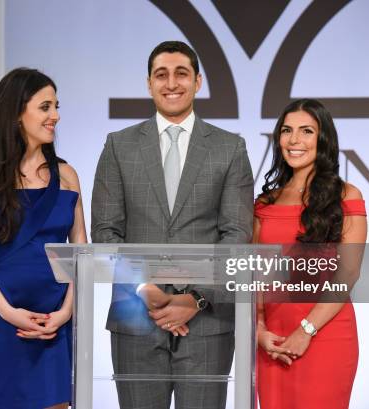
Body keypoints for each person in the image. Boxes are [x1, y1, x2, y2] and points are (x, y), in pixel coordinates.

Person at [91, 41, 254, 409]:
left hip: (207, 322)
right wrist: (148, 290)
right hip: (135, 318)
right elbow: (105, 231)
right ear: (148, 84)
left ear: (198, 82)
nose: (171, 83)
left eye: (181, 73)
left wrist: (194, 298)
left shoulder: (230, 148)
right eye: (160, 75)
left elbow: (236, 235)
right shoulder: (119, 146)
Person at [0, 68, 86, 409]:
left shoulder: (68, 175)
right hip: (0, 318)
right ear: (17, 112)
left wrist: (65, 313)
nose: (55, 116)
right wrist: (7, 312)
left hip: (53, 322)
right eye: (45, 107)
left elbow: (81, 256)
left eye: (56, 106)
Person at [254, 98, 367, 409]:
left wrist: (306, 330)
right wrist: (259, 330)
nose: (294, 140)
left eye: (306, 131)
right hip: (272, 343)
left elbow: (348, 273)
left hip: (325, 337)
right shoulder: (264, 203)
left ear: (323, 139)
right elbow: (254, 274)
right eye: (287, 130)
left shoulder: (347, 196)